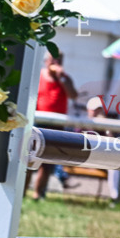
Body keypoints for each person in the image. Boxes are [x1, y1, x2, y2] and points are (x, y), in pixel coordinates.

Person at [31, 51, 78, 198]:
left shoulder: (65, 78)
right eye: (53, 60)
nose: (56, 63)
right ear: (46, 61)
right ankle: (22, 192)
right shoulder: (38, 76)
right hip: (38, 122)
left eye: (59, 60)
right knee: (28, 158)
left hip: (57, 124)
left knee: (47, 163)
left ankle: (38, 194)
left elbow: (73, 96)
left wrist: (62, 79)